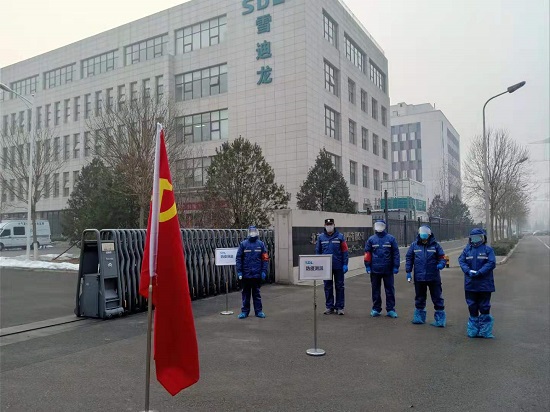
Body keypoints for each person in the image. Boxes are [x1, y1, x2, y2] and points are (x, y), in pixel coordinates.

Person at [405, 225, 447, 327]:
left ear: (429, 234)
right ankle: (419, 317)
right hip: (419, 277)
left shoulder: (435, 246)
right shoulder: (414, 246)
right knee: (420, 297)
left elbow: (442, 257)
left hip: (433, 277)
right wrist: (408, 271)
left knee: (437, 297)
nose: (423, 235)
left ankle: (440, 319)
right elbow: (409, 258)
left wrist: (441, 264)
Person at [458, 228, 497, 338]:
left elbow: (491, 263)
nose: (475, 239)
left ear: (483, 238)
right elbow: (461, 261)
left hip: (484, 284)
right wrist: (467, 271)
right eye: (473, 237)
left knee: (484, 306)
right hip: (470, 284)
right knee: (472, 306)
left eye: (478, 237)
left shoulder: (488, 250)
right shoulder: (467, 250)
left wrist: (480, 272)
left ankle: (485, 331)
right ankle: (473, 329)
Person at [364, 220, 400, 318]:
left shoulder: (391, 239)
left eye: (381, 225)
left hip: (388, 269)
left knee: (390, 290)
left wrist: (396, 266)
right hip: (375, 269)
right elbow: (367, 253)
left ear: (384, 226)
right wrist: (367, 265)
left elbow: (395, 253)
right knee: (375, 290)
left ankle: (390, 309)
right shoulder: (371, 239)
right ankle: (376, 308)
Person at [315, 218, 349, 315]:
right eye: (327, 225)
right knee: (327, 287)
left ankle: (340, 307)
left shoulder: (340, 237)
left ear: (334, 225)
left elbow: (345, 251)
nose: (329, 226)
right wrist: (319, 264)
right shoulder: (321, 238)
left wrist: (345, 264)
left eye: (331, 224)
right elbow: (318, 251)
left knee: (340, 286)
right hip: (326, 267)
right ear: (325, 226)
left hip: (338, 266)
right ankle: (329, 307)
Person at [236, 225, 269, 319]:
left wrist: (264, 271)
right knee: (245, 294)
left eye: (254, 231)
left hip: (257, 275)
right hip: (246, 275)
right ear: (248, 232)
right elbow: (239, 258)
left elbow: (265, 259)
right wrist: (239, 272)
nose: (253, 233)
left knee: (256, 294)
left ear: (257, 232)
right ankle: (244, 312)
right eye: (251, 231)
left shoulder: (261, 244)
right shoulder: (243, 244)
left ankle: (259, 311)